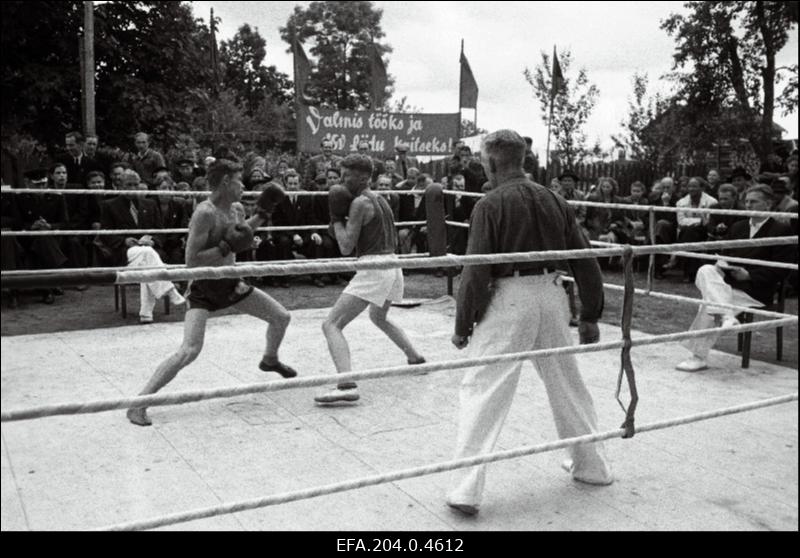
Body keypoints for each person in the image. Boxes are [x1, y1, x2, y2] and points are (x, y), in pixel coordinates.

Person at [447, 130, 612, 516]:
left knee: (484, 387)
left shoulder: (489, 205)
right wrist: (590, 313)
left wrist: (462, 323)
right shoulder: (556, 199)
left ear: (491, 163)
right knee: (567, 384)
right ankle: (594, 467)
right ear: (524, 160)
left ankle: (465, 490)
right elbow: (585, 260)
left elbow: (476, 271)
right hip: (553, 294)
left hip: (510, 296)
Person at [127, 158, 298, 426]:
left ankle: (270, 359)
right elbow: (191, 260)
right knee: (189, 350)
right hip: (204, 286)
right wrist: (225, 247)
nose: (243, 185)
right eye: (239, 180)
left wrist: (262, 215)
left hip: (231, 282)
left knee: (281, 317)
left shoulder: (238, 209)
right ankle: (139, 403)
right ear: (226, 182)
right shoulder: (204, 213)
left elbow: (241, 234)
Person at [315, 154, 426, 404]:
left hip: (374, 266)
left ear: (363, 177)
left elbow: (345, 246)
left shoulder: (359, 204)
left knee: (331, 325)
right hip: (392, 265)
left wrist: (335, 221)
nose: (341, 181)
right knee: (379, 317)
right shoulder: (380, 199)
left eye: (346, 176)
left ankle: (346, 384)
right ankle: (415, 357)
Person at [676, 184, 794, 372]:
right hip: (729, 283)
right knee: (706, 269)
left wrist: (749, 275)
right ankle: (727, 315)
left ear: (768, 204)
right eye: (746, 201)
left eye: (754, 201)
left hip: (756, 289)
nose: (748, 205)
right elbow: (727, 254)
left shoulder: (781, 229)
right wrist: (722, 263)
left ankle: (698, 356)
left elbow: (783, 270)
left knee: (709, 305)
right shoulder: (738, 226)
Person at [99, 169, 185, 323]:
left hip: (149, 253)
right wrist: (124, 241)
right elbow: (105, 234)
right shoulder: (109, 205)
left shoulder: (150, 204)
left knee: (147, 258)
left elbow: (161, 232)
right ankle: (169, 289)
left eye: (135, 184)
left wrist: (152, 240)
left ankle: (146, 313)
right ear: (120, 186)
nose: (132, 188)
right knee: (148, 257)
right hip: (125, 253)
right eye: (128, 185)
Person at [675, 177, 717, 281]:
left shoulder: (712, 202)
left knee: (690, 232)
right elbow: (681, 221)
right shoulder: (681, 202)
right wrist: (698, 221)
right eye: (689, 186)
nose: (691, 189)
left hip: (705, 232)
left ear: (702, 188)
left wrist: (693, 222)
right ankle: (690, 272)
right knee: (689, 232)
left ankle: (685, 269)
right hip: (685, 232)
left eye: (694, 186)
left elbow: (708, 222)